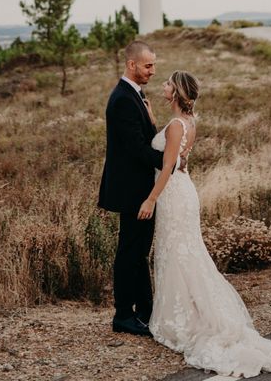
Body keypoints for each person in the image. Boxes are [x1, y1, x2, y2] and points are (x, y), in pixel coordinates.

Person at [139, 70, 271, 378]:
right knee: (184, 254)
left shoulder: (175, 127)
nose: (163, 85)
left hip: (171, 194)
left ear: (177, 92)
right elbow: (173, 151)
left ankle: (186, 320)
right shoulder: (186, 123)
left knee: (179, 255)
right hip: (184, 193)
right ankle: (190, 313)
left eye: (168, 83)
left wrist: (150, 200)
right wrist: (153, 119)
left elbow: (168, 165)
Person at [98, 40, 163, 337]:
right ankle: (123, 314)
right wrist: (170, 162)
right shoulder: (123, 99)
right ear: (132, 65)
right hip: (131, 190)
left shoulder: (134, 95)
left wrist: (151, 120)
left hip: (138, 187)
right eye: (148, 65)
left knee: (137, 252)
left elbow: (144, 137)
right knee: (129, 253)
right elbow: (137, 148)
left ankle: (145, 310)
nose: (152, 70)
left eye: (153, 65)